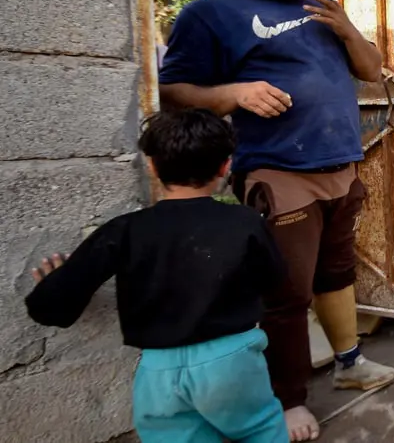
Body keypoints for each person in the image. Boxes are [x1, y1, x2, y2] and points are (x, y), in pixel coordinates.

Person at [158, 0, 392, 442]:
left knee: (336, 273)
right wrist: (235, 94)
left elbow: (372, 69)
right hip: (277, 169)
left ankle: (350, 363)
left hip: (339, 163)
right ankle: (288, 401)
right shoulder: (209, 14)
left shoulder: (316, 9)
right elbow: (173, 91)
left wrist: (348, 28)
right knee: (285, 290)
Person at [24, 109, 288, 443]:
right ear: (225, 166)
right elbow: (276, 280)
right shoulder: (245, 222)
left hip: (158, 370)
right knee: (260, 429)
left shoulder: (124, 231)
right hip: (231, 361)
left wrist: (54, 283)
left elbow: (49, 309)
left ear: (151, 166)